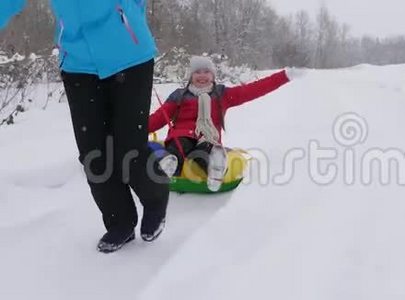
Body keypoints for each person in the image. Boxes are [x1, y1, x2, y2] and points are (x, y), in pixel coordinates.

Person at [1, 1, 169, 253]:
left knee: (128, 147)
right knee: (93, 153)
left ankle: (156, 197)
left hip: (129, 54)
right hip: (78, 62)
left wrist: (128, 13)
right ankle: (119, 221)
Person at [149, 56, 301, 191]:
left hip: (208, 137)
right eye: (197, 72)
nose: (202, 76)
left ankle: (215, 168)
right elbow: (158, 118)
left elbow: (253, 90)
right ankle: (169, 165)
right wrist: (137, 130)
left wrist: (284, 76)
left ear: (213, 76)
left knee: (203, 152)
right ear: (191, 76)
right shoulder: (179, 96)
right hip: (182, 134)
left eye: (206, 72)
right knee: (178, 146)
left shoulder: (222, 95)